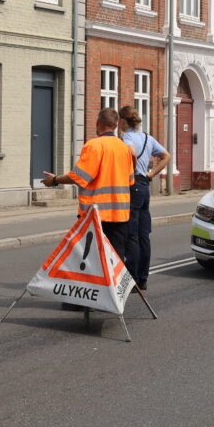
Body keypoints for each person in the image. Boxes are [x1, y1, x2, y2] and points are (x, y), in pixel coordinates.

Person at [42, 108, 134, 260]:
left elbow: (79, 177)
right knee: (115, 261)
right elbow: (130, 180)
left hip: (95, 215)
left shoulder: (94, 145)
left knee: (92, 261)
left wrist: (55, 180)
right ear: (116, 126)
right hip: (120, 214)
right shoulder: (124, 148)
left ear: (97, 123)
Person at [118, 105, 170, 291]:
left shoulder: (127, 137)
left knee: (131, 234)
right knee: (143, 234)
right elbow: (166, 156)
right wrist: (151, 174)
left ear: (123, 121)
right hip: (144, 186)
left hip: (133, 186)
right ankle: (143, 279)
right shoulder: (148, 138)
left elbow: (131, 152)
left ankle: (131, 279)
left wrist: (131, 171)